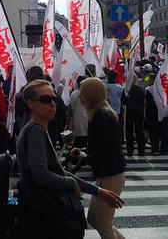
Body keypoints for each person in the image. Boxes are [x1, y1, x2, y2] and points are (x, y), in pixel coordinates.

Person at [16, 79, 123, 238]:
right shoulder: (36, 132)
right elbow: (41, 174)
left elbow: (56, 170)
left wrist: (98, 191)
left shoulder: (37, 129)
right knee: (96, 222)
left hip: (42, 205)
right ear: (30, 104)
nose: (53, 104)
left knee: (98, 221)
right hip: (42, 206)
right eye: (46, 100)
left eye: (54, 99)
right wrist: (73, 183)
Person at [78, 78, 127, 239]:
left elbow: (105, 148)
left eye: (82, 92)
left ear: (90, 95)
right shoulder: (103, 112)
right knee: (94, 219)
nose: (80, 96)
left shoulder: (100, 116)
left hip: (110, 173)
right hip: (109, 172)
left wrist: (86, 156)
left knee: (103, 223)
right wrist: (85, 152)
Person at [145, 74, 168, 155]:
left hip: (153, 114)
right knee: (163, 132)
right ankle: (164, 148)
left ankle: (155, 149)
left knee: (154, 133)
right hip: (163, 113)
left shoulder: (149, 89)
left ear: (153, 80)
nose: (147, 81)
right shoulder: (163, 88)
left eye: (149, 79)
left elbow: (148, 104)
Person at [124, 73, 146, 157]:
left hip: (129, 112)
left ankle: (130, 151)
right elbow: (143, 101)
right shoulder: (140, 90)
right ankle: (141, 150)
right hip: (139, 112)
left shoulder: (126, 90)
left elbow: (123, 101)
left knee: (129, 132)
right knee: (139, 131)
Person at [68, 76, 89, 148]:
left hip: (77, 121)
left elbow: (71, 109)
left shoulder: (74, 94)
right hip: (89, 121)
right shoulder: (91, 93)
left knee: (78, 144)